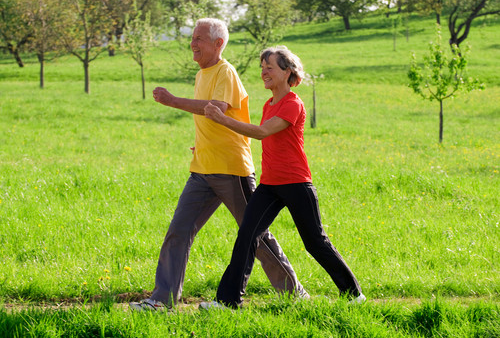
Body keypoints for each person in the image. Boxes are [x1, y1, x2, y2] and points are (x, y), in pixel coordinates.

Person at [130, 19, 307, 311]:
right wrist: (202, 144)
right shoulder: (202, 74)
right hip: (202, 168)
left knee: (255, 235)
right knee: (179, 230)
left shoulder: (226, 72)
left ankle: (293, 292)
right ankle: (162, 300)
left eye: (199, 38)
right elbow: (209, 118)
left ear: (218, 44)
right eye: (193, 38)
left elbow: (217, 109)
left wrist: (173, 101)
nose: (193, 44)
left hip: (231, 169)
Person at [201, 46, 365, 309]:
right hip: (270, 185)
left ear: (287, 71)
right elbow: (255, 133)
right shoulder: (269, 104)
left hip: (296, 183)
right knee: (247, 237)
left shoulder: (292, 104)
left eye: (270, 67)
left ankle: (354, 295)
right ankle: (228, 301)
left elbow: (262, 132)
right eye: (262, 67)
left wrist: (221, 119)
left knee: (315, 242)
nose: (264, 72)